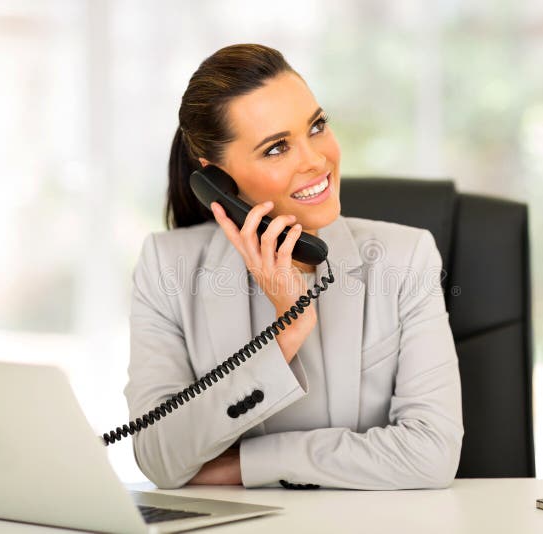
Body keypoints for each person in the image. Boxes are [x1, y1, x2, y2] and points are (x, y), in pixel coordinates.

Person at [123, 43, 463, 490]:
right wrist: (286, 332)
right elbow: (159, 458)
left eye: (316, 126)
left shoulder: (407, 259)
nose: (316, 160)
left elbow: (430, 454)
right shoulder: (166, 268)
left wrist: (245, 466)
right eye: (276, 148)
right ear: (216, 181)